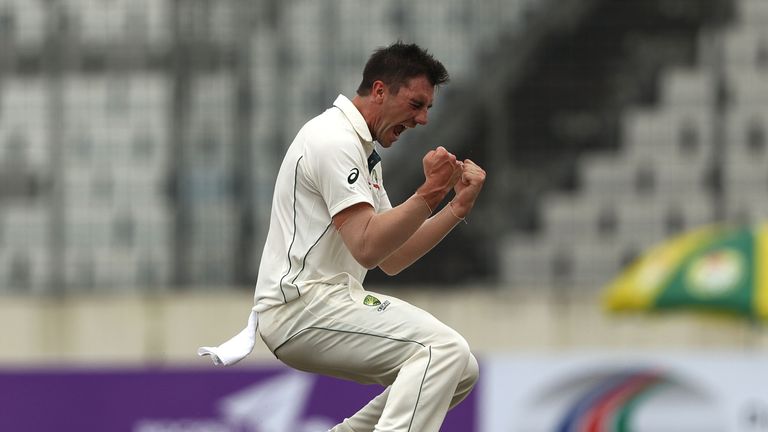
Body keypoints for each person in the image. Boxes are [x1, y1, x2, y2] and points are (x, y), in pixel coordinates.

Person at [199, 41, 486, 432]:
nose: (422, 120)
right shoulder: (333, 140)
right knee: (443, 350)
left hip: (322, 302)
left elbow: (392, 256)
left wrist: (454, 208)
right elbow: (367, 248)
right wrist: (429, 192)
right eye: (416, 104)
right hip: (299, 307)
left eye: (427, 109)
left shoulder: (359, 148)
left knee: (461, 368)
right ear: (381, 90)